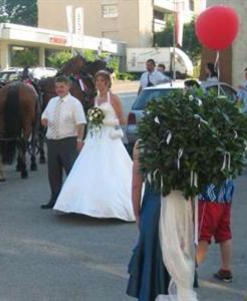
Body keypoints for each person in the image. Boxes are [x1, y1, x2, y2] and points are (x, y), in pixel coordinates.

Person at [53, 70, 135, 221]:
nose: (98, 84)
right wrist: (86, 136)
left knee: (111, 169)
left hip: (110, 138)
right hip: (95, 137)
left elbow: (122, 120)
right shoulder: (96, 99)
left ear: (107, 83)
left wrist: (107, 122)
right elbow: (92, 122)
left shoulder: (114, 99)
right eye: (96, 81)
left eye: (101, 81)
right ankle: (82, 205)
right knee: (87, 168)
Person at [126, 141, 170, 300]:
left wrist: (137, 213)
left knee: (151, 255)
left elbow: (136, 184)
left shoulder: (142, 143)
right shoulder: (183, 138)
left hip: (152, 207)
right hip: (177, 207)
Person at [40, 75, 86, 209]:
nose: (59, 89)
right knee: (53, 173)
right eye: (57, 87)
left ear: (68, 87)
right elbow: (44, 115)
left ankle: (74, 200)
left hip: (68, 141)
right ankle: (54, 199)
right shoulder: (52, 101)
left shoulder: (75, 103)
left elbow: (81, 123)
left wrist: (79, 140)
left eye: (62, 86)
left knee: (71, 172)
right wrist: (44, 120)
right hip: (52, 142)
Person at [196, 180, 234, 282]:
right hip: (226, 193)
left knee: (203, 234)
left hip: (209, 195)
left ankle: (192, 271)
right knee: (224, 232)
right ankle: (226, 269)